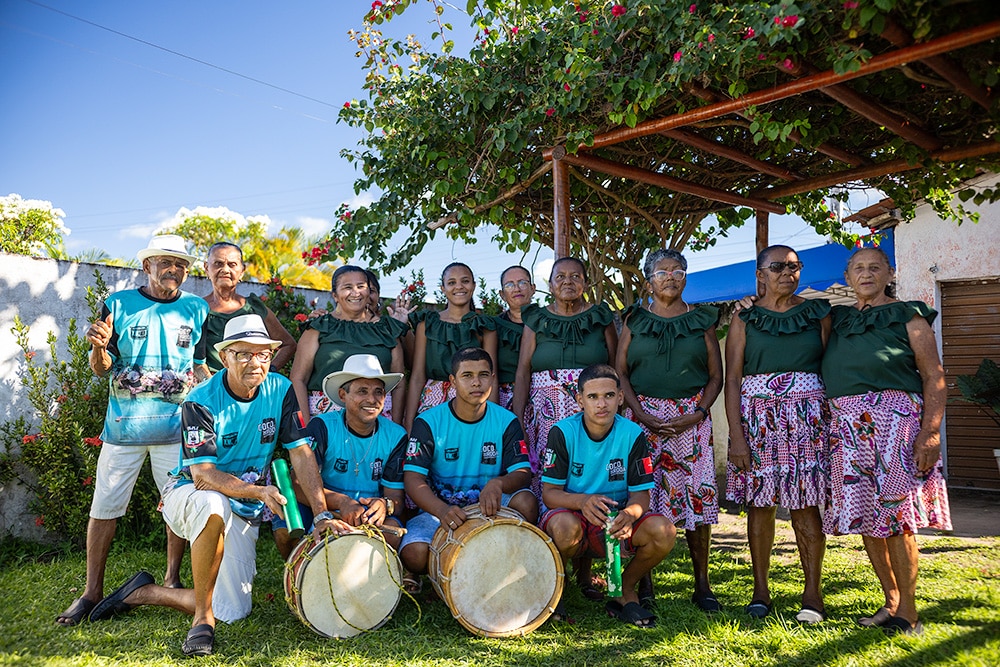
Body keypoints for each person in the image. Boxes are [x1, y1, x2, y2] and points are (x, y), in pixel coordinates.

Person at [86, 314, 351, 656]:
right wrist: (258, 491)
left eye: (263, 354)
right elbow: (204, 476)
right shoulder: (201, 399)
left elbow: (300, 452)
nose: (255, 363)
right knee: (215, 503)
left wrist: (322, 514)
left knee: (233, 610)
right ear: (225, 357)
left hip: (243, 504)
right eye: (243, 354)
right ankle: (201, 619)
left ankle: (145, 593)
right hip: (189, 493)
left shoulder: (281, 390)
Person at [56, 234, 208, 627]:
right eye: (165, 262)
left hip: (175, 430)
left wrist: (215, 400)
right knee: (104, 508)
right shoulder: (119, 304)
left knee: (177, 507)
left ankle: (172, 580)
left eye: (180, 264)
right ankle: (91, 593)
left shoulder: (197, 308)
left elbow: (200, 366)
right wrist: (98, 348)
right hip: (124, 429)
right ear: (147, 266)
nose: (173, 270)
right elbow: (101, 369)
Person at [821, 247, 951, 636]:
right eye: (858, 268)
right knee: (867, 517)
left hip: (896, 427)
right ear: (847, 277)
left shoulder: (909, 315)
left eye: (875, 267)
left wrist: (931, 432)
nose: (866, 274)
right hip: (847, 429)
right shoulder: (838, 319)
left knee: (897, 519)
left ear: (889, 273)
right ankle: (890, 601)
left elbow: (934, 376)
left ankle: (909, 613)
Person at [725, 244, 831, 623]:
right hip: (757, 422)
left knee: (806, 505)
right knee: (760, 504)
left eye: (794, 266)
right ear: (760, 275)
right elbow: (733, 379)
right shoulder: (745, 318)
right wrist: (737, 436)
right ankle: (760, 591)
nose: (787, 273)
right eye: (777, 267)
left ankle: (812, 594)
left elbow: (830, 367)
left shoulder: (819, 313)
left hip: (808, 421)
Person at [616, 249, 723, 612]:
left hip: (690, 419)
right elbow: (621, 373)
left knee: (697, 496)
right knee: (642, 497)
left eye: (678, 271)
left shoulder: (702, 319)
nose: (671, 278)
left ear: (686, 278)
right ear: (649, 282)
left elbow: (716, 376)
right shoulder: (634, 319)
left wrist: (698, 413)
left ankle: (702, 584)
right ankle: (644, 583)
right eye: (662, 273)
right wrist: (638, 412)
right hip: (641, 418)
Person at [512, 256, 616, 598]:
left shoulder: (600, 317)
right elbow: (523, 370)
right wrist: (518, 416)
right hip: (546, 416)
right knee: (552, 481)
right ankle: (552, 567)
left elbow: (615, 367)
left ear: (586, 282)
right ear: (550, 284)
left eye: (575, 276)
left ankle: (585, 573)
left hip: (593, 411)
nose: (568, 282)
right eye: (560, 277)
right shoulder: (536, 318)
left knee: (588, 477)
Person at [540, 364, 676, 628]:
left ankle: (623, 589)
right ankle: (555, 589)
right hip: (574, 517)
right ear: (580, 400)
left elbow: (641, 496)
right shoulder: (563, 432)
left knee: (664, 531)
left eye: (609, 395)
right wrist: (582, 501)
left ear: (620, 397)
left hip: (615, 520)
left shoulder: (632, 434)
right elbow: (549, 494)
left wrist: (629, 515)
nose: (601, 404)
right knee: (564, 527)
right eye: (592, 397)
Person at [399, 347, 538, 579]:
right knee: (414, 554)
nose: (476, 382)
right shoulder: (429, 422)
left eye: (483, 375)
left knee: (527, 502)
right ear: (453, 381)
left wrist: (498, 484)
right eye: (467, 375)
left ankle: (506, 565)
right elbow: (413, 478)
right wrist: (441, 509)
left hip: (489, 509)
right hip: (441, 511)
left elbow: (522, 472)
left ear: (492, 378)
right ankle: (452, 575)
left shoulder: (506, 421)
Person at [275, 354, 407, 560]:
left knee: (391, 535)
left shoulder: (396, 435)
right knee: (285, 529)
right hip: (324, 505)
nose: (372, 399)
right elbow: (298, 484)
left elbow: (396, 497)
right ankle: (298, 571)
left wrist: (385, 505)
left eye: (378, 392)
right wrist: (341, 502)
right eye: (362, 391)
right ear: (343, 395)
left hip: (366, 512)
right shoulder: (323, 426)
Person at [290, 265, 408, 422]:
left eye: (361, 286)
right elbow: (298, 379)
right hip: (324, 420)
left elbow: (399, 384)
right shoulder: (319, 327)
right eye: (347, 287)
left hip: (376, 419)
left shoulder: (387, 329)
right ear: (335, 295)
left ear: (369, 292)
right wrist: (304, 427)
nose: (355, 292)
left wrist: (396, 426)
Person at [404, 262, 498, 431]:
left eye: (465, 281)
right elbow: (417, 376)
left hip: (472, 401)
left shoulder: (484, 326)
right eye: (452, 282)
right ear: (443, 288)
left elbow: (491, 377)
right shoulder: (427, 324)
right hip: (432, 401)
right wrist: (409, 421)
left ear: (474, 285)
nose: (459, 286)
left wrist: (493, 421)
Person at [200, 242, 296, 374]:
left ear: (242, 271)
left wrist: (267, 371)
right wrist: (210, 383)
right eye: (218, 263)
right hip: (208, 383)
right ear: (206, 268)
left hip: (249, 385)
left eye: (232, 264)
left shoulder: (254, 308)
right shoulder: (197, 309)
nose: (225, 270)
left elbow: (288, 344)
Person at [493, 265, 536, 410]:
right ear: (502, 294)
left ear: (533, 288)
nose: (517, 289)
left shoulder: (548, 321)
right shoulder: (494, 327)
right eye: (509, 285)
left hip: (543, 395)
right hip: (504, 400)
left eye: (522, 283)